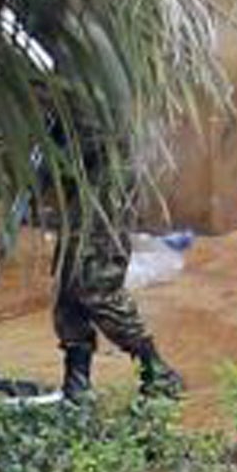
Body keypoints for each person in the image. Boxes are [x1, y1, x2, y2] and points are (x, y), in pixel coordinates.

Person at [53, 136, 185, 401]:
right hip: (80, 161)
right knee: (69, 277)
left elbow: (97, 126)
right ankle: (77, 377)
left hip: (107, 162)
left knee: (95, 279)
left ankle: (155, 369)